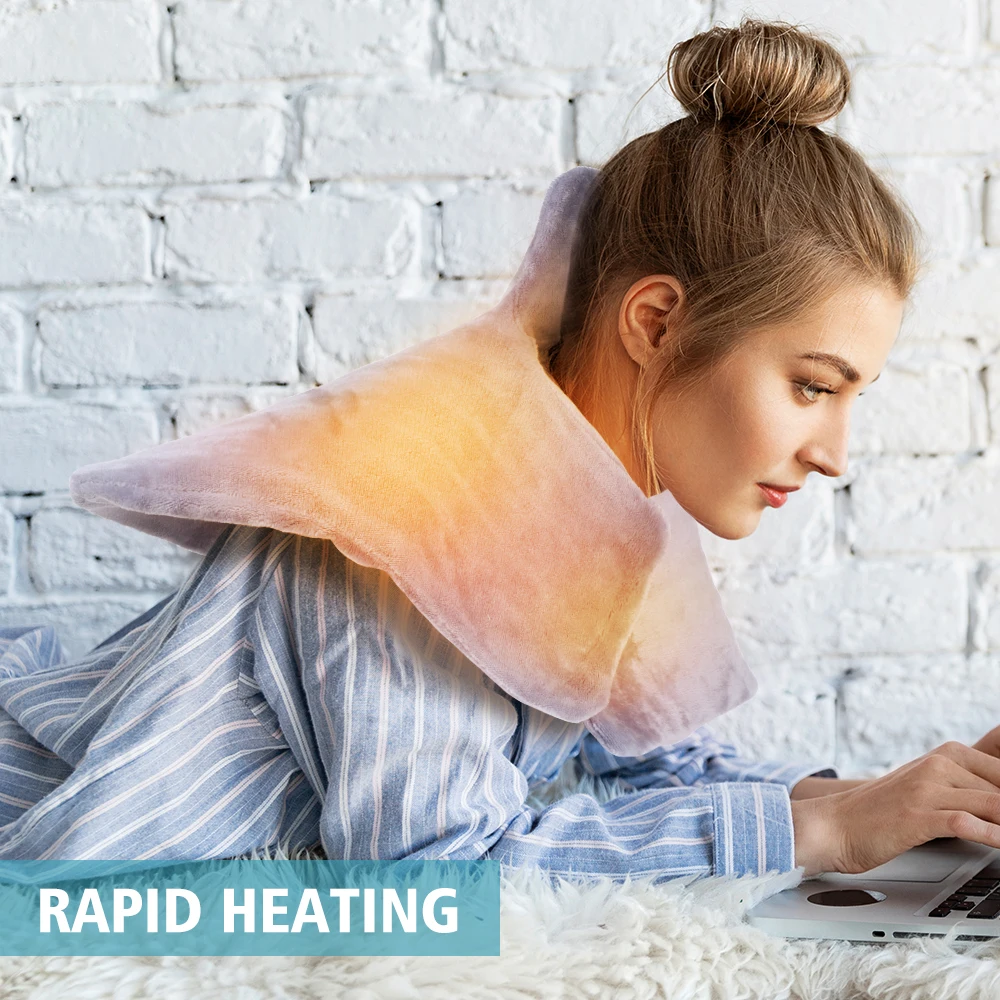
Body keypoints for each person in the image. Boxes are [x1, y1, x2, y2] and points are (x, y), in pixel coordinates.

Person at [2, 17, 999, 882]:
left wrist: (904, 800)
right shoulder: (413, 509)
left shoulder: (595, 496)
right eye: (812, 386)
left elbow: (645, 762)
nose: (835, 452)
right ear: (653, 322)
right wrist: (818, 829)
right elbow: (434, 871)